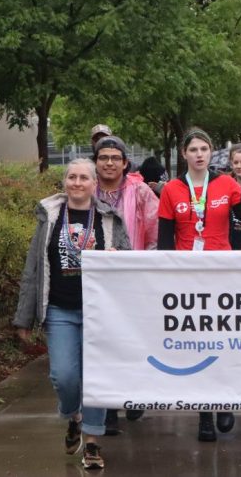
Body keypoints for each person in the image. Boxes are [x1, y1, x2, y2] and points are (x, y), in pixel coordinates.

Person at [13, 159, 131, 470]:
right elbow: (34, 268)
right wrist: (23, 317)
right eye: (71, 177)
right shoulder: (50, 217)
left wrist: (118, 257)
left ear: (95, 184)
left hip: (98, 313)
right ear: (65, 182)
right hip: (59, 309)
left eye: (83, 178)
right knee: (63, 376)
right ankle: (74, 417)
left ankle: (92, 442)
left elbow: (130, 261)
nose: (77, 183)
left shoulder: (109, 218)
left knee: (94, 378)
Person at [157, 129, 241, 442]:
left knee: (223, 337)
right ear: (184, 154)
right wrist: (166, 274)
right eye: (193, 149)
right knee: (197, 342)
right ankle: (205, 413)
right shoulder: (171, 189)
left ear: (212, 152)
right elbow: (165, 238)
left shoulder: (226, 183)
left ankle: (225, 401)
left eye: (204, 148)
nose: (199, 154)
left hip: (222, 269)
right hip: (187, 271)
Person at [93, 136, 159, 429]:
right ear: (96, 162)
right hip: (98, 280)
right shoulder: (86, 189)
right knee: (104, 343)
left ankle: (134, 396)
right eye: (103, 157)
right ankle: (107, 406)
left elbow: (156, 231)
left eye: (114, 158)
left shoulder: (141, 191)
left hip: (134, 276)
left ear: (124, 163)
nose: (109, 162)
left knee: (134, 340)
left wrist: (146, 265)